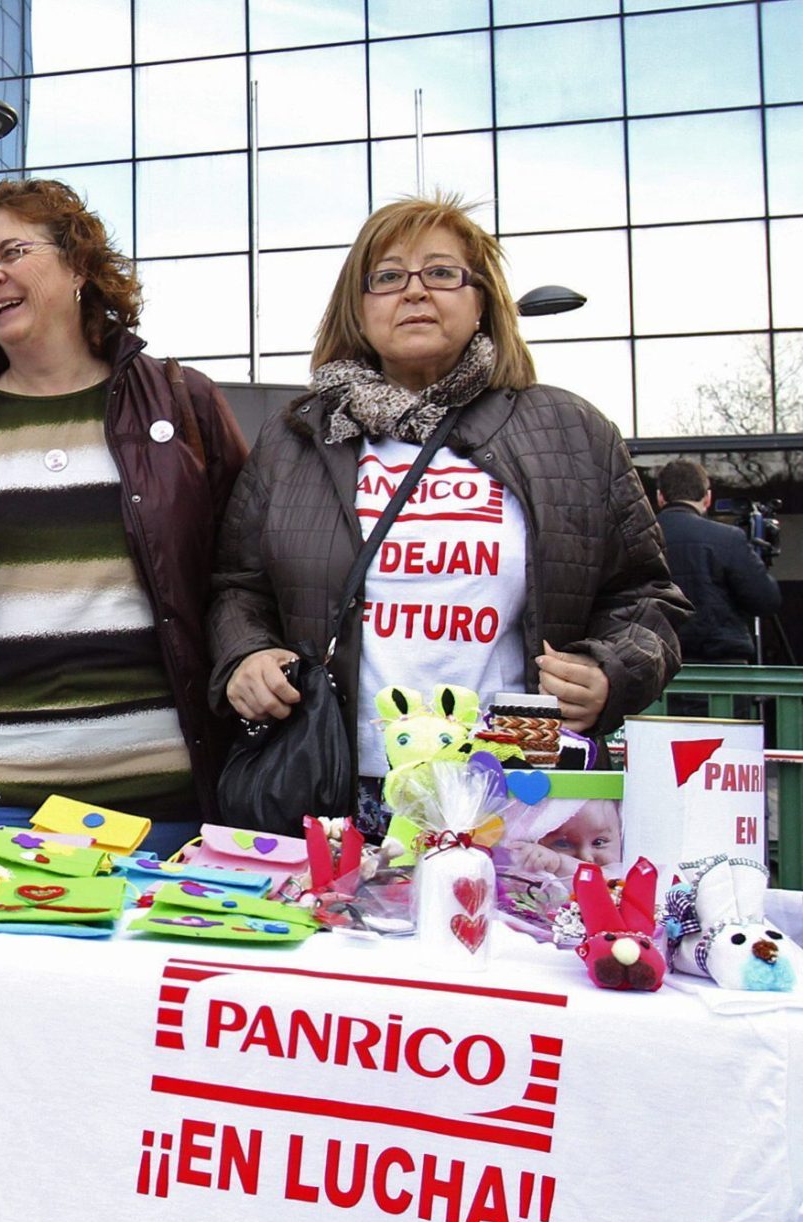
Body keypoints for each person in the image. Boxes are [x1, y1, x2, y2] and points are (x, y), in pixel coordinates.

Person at [209, 194, 688, 834]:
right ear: (358, 305)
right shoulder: (295, 439)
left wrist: (611, 672)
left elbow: (648, 595)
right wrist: (247, 656)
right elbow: (237, 587)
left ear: (482, 299)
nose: (415, 293)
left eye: (441, 273)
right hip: (334, 785)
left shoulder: (570, 431)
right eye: (387, 277)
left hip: (511, 790)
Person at [0, 179, 249, 851]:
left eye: (12, 252)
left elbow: (243, 574)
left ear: (79, 267)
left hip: (162, 803)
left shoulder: (183, 406)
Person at [655, 459, 781, 663]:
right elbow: (765, 601)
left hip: (655, 666)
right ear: (708, 498)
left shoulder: (637, 538)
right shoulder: (729, 538)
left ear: (660, 497)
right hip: (722, 667)